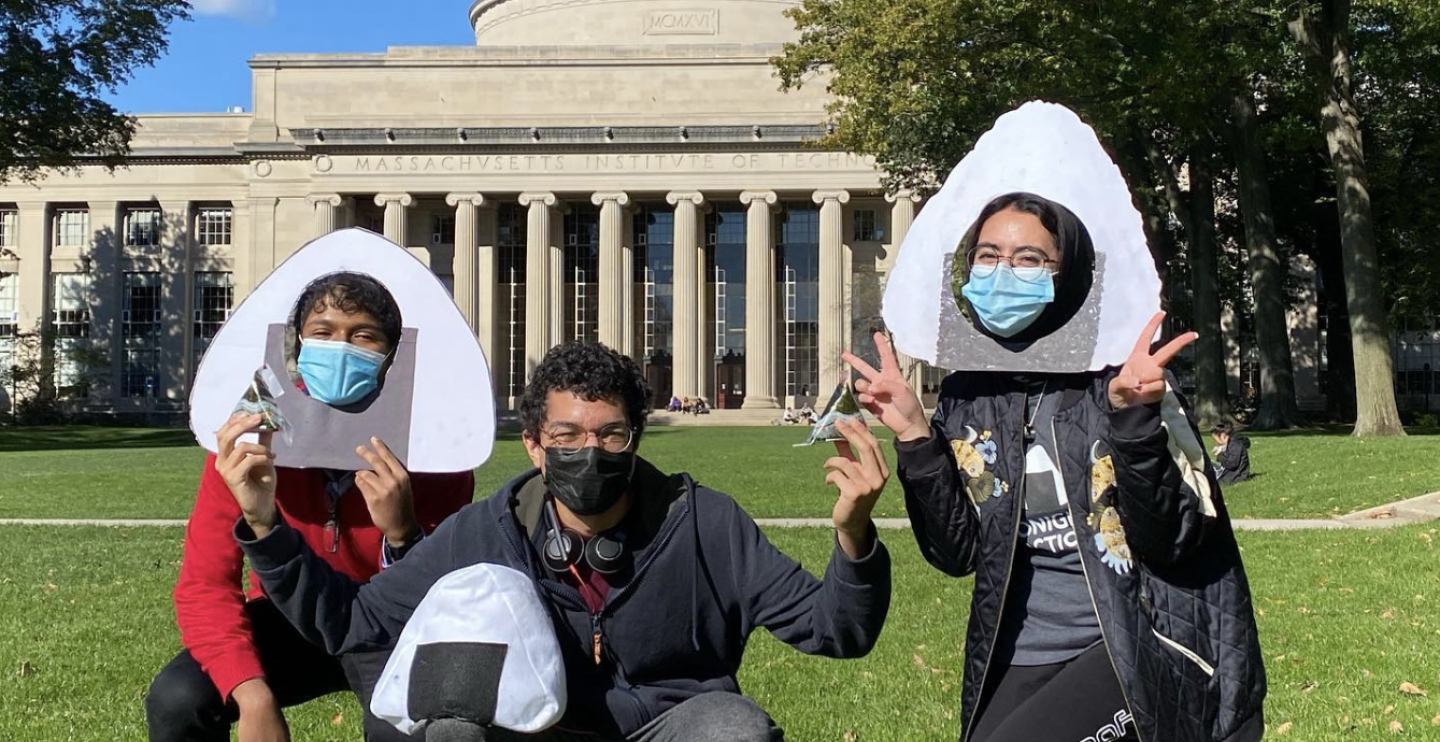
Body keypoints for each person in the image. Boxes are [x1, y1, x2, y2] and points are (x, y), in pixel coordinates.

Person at [231, 341, 893, 741]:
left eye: (610, 435)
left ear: (635, 440)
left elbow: (836, 632)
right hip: (536, 733)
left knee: (731, 727)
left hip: (668, 727)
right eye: (568, 436)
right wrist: (266, 526)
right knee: (453, 728)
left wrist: (855, 535)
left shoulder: (704, 523)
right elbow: (354, 623)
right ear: (534, 446)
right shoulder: (489, 531)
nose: (589, 451)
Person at [847, 193, 1264, 742]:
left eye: (1028, 259)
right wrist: (915, 435)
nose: (1003, 273)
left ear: (1067, 274)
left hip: (1136, 638)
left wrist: (1134, 422)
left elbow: (1175, 542)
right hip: (1015, 646)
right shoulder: (970, 392)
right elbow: (957, 554)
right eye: (988, 256)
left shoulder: (1122, 377)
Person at [146, 272, 475, 742]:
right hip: (288, 618)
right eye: (323, 332)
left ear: (391, 355)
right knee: (178, 700)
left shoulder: (433, 449)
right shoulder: (251, 434)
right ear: (297, 345)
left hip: (389, 622)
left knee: (409, 728)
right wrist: (250, 690)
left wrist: (404, 534)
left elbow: (443, 594)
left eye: (364, 336)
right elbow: (204, 584)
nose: (340, 347)